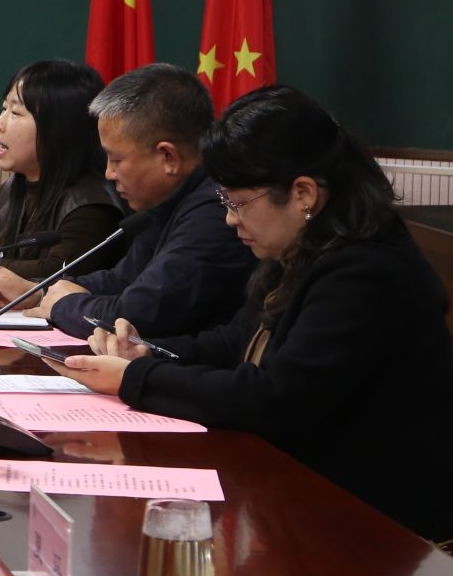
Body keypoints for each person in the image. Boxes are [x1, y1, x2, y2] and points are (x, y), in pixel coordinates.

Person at [63, 86, 453, 541]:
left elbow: (275, 398)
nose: (229, 219)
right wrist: (143, 352)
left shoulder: (367, 271)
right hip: (305, 496)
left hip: (383, 526)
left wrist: (137, 378)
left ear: (303, 193)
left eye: (237, 202)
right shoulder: (301, 249)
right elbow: (232, 343)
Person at [0, 63, 254, 338]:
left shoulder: (215, 212)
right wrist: (37, 292)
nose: (109, 173)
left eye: (116, 159)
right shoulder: (167, 200)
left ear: (168, 157)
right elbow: (122, 279)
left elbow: (137, 314)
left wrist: (60, 306)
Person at [0, 59, 123, 283]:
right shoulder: (15, 186)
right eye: (4, 109)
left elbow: (55, 273)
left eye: (16, 112)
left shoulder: (91, 205)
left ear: (58, 128)